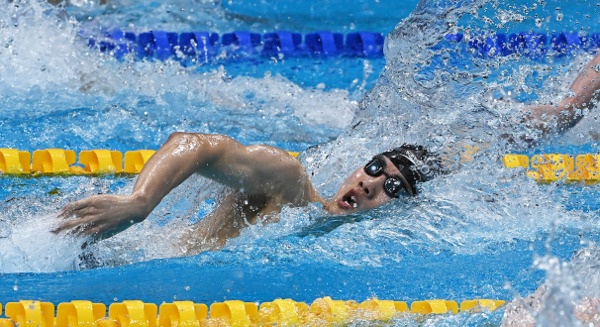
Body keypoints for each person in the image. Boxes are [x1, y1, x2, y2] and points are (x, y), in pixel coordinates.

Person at [54, 50, 600, 254]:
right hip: (98, 236)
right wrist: (139, 202)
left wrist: (574, 105)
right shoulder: (293, 185)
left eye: (391, 189)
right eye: (372, 170)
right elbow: (196, 144)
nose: (368, 185)